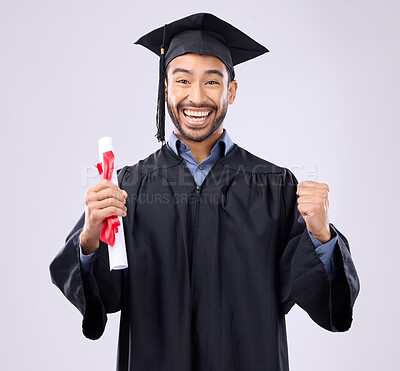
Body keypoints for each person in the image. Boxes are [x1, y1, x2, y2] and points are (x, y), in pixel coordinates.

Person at [50, 13, 360, 371]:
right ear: (167, 89)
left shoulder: (274, 186)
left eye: (212, 82)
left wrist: (320, 234)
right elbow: (102, 298)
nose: (196, 96)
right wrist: (90, 238)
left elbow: (325, 301)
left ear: (231, 90)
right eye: (182, 80)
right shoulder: (128, 188)